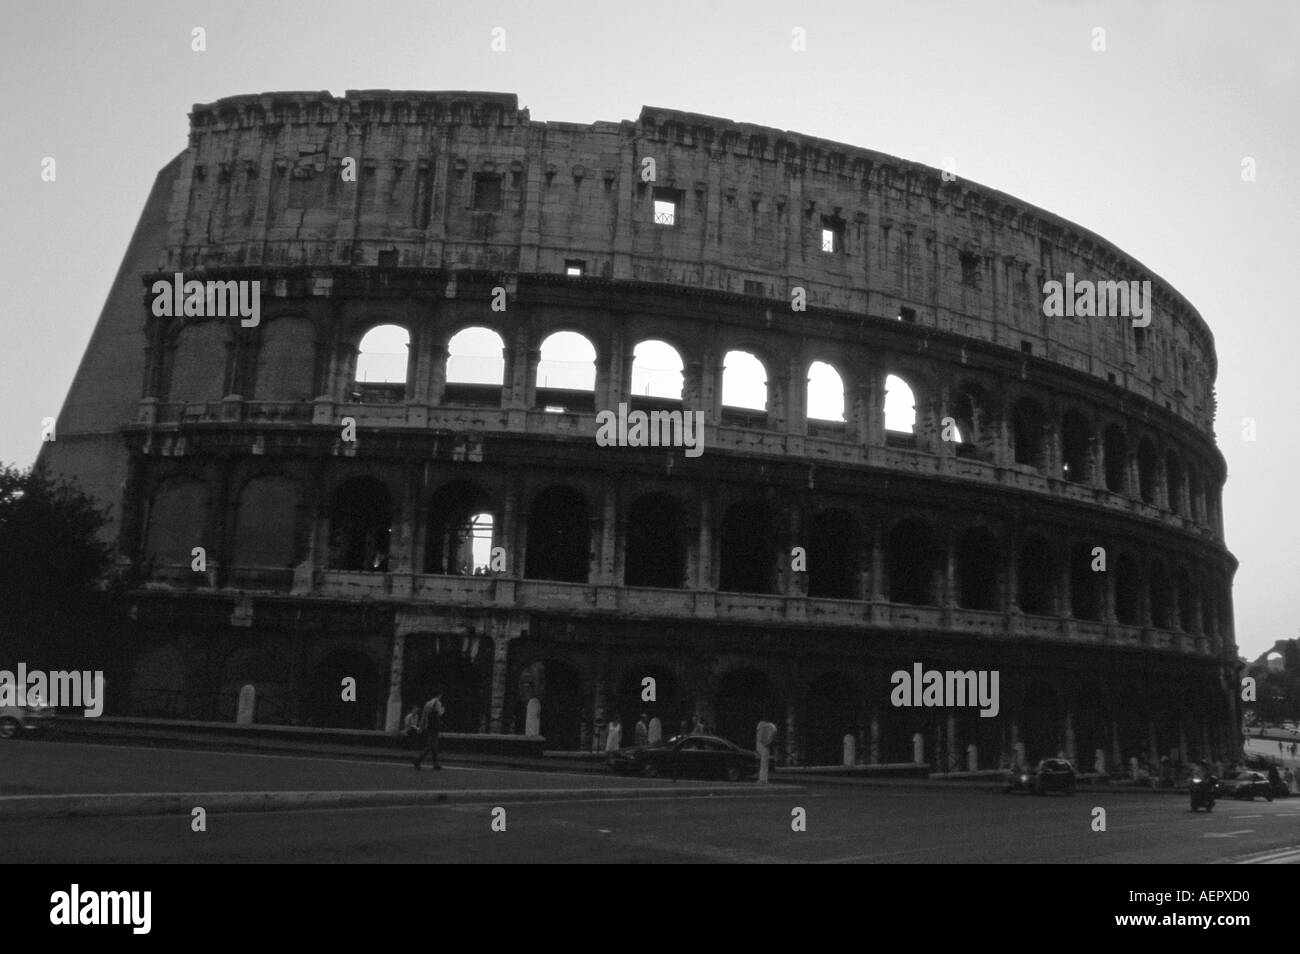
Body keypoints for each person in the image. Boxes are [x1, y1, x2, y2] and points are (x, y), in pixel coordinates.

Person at [412, 687, 446, 770]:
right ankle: (418, 759)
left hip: (428, 726)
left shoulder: (427, 703)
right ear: (439, 695)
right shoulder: (437, 703)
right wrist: (442, 711)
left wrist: (420, 727)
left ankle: (435, 764)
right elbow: (438, 714)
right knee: (431, 745)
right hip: (434, 726)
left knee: (434, 745)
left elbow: (423, 716)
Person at [756, 715, 778, 783]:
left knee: (762, 764)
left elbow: (759, 735)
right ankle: (763, 779)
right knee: (764, 764)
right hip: (765, 746)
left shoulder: (761, 725)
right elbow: (771, 736)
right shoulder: (769, 726)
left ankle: (762, 779)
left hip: (761, 745)